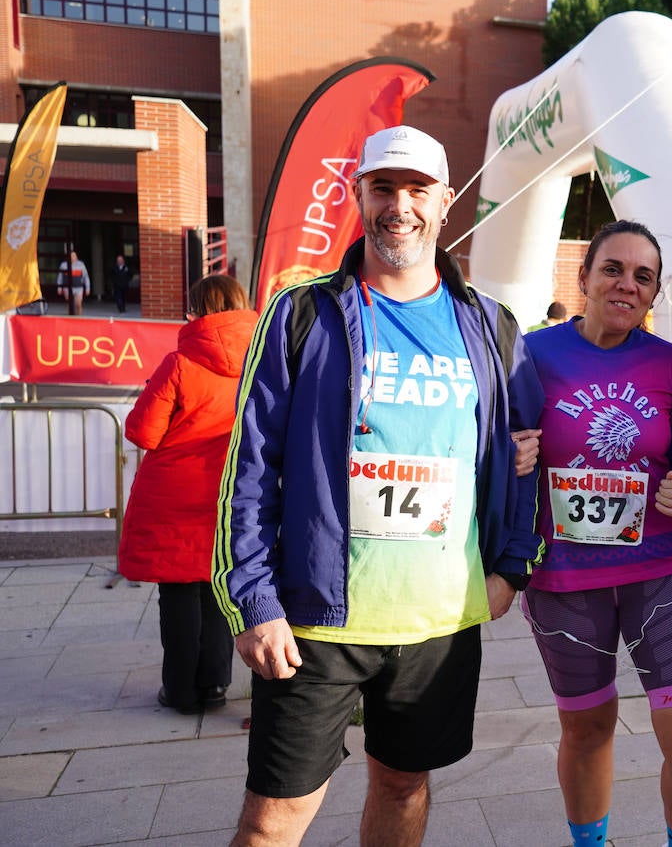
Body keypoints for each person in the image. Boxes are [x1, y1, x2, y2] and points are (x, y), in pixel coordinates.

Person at [211, 125, 544, 846]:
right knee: (272, 820)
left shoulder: (490, 326)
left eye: (418, 189)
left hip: (437, 627)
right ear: (355, 193)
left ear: (446, 202)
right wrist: (254, 601)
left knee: (403, 785)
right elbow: (250, 465)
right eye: (383, 187)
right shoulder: (303, 314)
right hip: (313, 624)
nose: (400, 205)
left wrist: (511, 569)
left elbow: (526, 456)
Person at [522, 220, 672, 847]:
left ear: (653, 293)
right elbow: (495, 451)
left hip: (663, 575)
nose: (626, 285)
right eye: (612, 269)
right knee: (586, 732)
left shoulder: (671, 364)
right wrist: (508, 455)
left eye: (643, 277)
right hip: (565, 583)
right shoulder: (531, 354)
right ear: (583, 278)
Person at [119, 275, 257, 713]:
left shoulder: (179, 363)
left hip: (173, 494)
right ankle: (215, 685)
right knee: (216, 589)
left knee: (177, 595)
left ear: (198, 310)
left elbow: (143, 431)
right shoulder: (263, 359)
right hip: (232, 491)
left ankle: (180, 690)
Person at [57, 249, 91, 315]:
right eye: (71, 256)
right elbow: (60, 277)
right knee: (70, 304)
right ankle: (71, 318)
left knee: (78, 304)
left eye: (74, 256)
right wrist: (59, 288)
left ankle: (79, 318)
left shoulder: (81, 265)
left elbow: (86, 277)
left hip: (78, 287)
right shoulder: (63, 265)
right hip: (67, 287)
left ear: (76, 256)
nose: (72, 257)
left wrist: (88, 288)